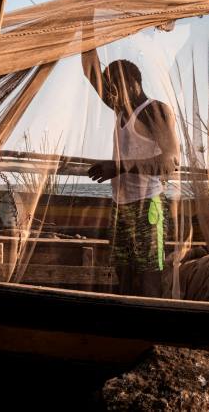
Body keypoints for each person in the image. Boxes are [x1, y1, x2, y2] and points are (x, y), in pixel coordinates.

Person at [81, 49, 180, 297]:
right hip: (121, 205)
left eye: (116, 87)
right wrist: (87, 31)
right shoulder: (121, 109)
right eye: (110, 89)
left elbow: (171, 162)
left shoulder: (154, 110)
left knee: (149, 273)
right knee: (122, 271)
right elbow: (90, 72)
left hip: (148, 205)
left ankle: (151, 317)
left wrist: (119, 167)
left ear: (134, 83)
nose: (112, 95)